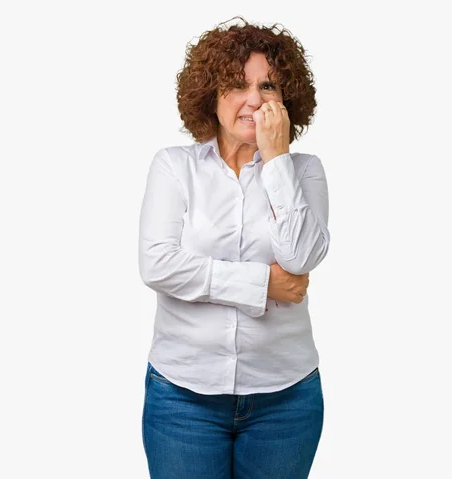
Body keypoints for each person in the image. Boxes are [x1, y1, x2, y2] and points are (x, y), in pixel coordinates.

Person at [138, 16, 330, 479]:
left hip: (285, 399)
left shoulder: (305, 171)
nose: (254, 100)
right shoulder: (174, 167)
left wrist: (277, 159)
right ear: (211, 93)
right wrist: (264, 282)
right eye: (237, 86)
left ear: (285, 99)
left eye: (268, 86)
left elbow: (301, 259)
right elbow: (158, 264)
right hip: (182, 396)